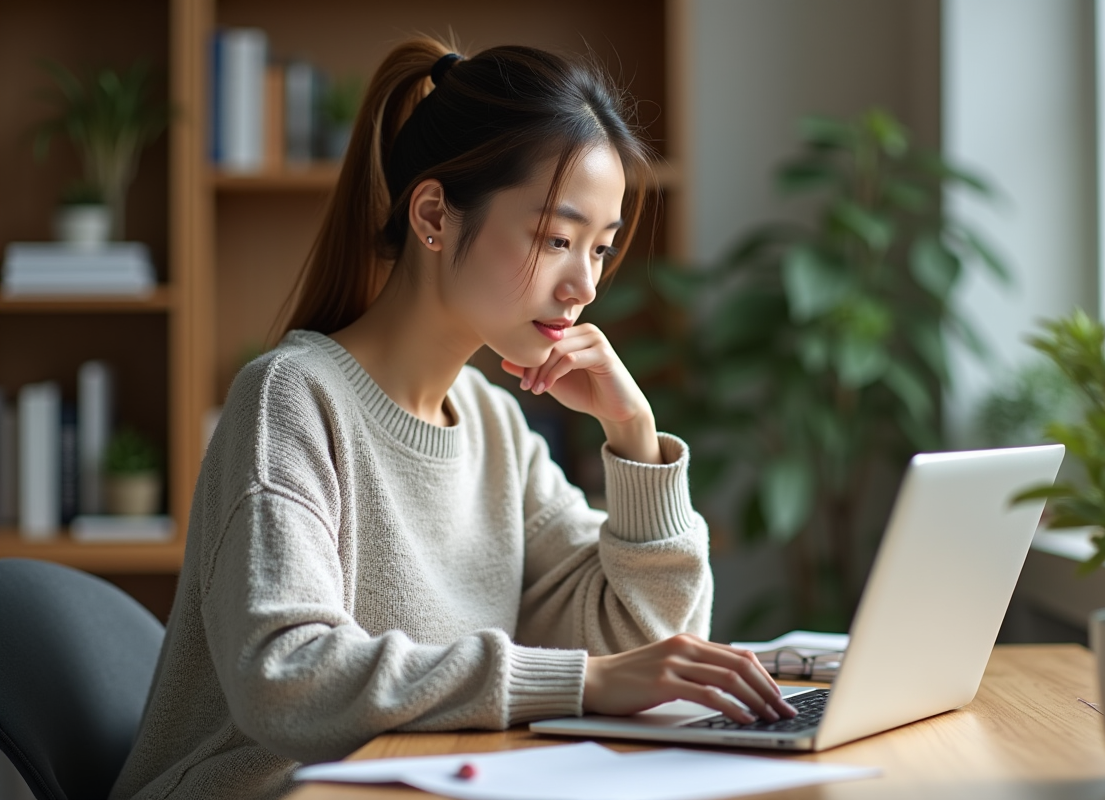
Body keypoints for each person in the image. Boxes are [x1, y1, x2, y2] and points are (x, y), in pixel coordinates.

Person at [110, 36, 795, 800]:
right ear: (433, 214)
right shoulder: (290, 398)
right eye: (557, 239)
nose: (584, 287)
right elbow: (287, 676)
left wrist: (634, 440)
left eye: (599, 250)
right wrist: (585, 680)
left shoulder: (493, 426)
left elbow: (648, 647)